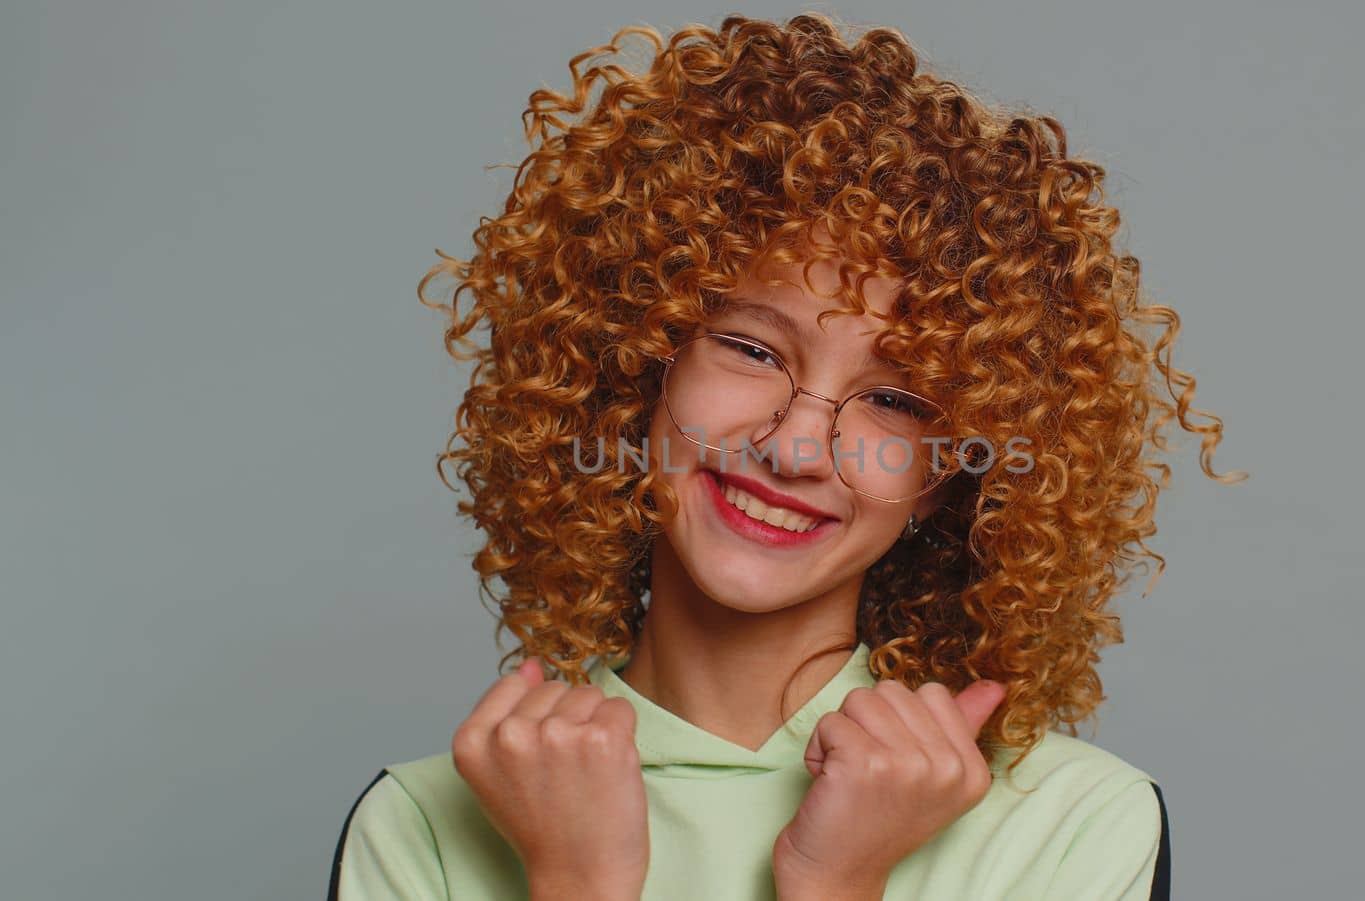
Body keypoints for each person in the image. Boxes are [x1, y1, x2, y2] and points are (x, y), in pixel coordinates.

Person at [328, 12, 1242, 901]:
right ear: (639, 369)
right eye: (752, 349)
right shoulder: (425, 825)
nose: (797, 446)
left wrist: (839, 883)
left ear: (946, 478)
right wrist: (577, 883)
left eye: (893, 400)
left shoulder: (1073, 825)